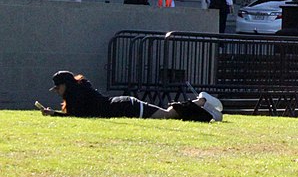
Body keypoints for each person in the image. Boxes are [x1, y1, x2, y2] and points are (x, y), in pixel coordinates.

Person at [39, 71, 222, 122]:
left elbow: (77, 116)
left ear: (65, 86)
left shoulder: (77, 94)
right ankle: (202, 104)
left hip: (127, 108)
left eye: (57, 88)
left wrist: (54, 114)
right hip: (125, 104)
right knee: (168, 114)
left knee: (168, 114)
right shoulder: (80, 89)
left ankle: (202, 101)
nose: (57, 91)